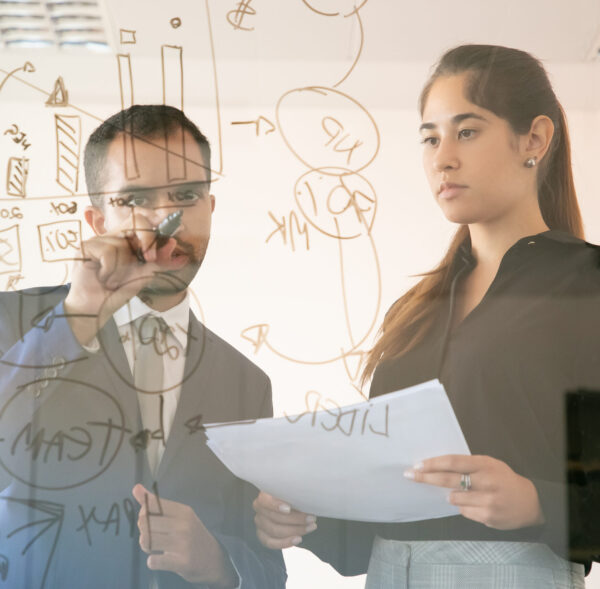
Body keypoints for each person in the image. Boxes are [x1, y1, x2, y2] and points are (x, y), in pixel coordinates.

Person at [253, 44, 600, 587]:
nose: (443, 158)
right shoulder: (416, 311)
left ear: (534, 139)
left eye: (467, 131)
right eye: (430, 138)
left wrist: (537, 503)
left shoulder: (585, 285)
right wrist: (305, 515)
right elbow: (370, 530)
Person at [0, 105, 286, 589]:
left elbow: (266, 569)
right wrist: (78, 318)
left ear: (210, 210)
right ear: (97, 219)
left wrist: (217, 562)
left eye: (186, 195)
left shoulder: (246, 385)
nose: (165, 219)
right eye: (135, 199)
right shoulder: (15, 323)